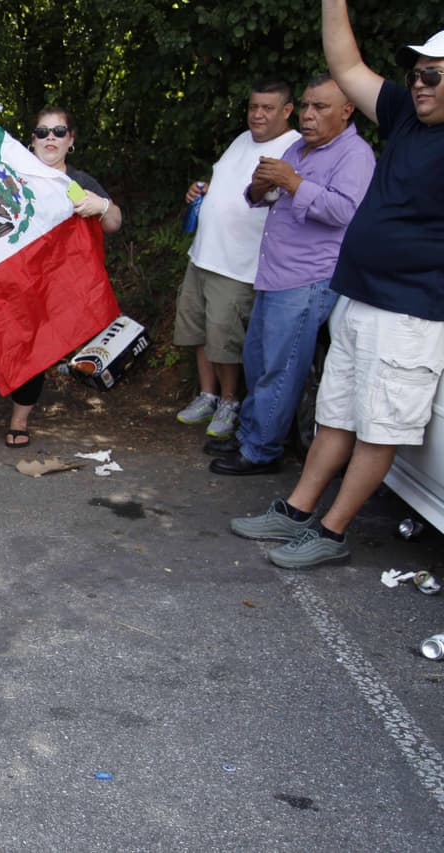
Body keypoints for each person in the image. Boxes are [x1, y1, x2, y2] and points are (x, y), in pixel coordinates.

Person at [230, 8, 444, 569]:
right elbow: (346, 63)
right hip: (357, 295)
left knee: (380, 425)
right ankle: (299, 510)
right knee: (338, 414)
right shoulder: (405, 118)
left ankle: (331, 529)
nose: (418, 84)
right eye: (416, 74)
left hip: (412, 311)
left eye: (433, 75)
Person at [208, 73, 374, 476]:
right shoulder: (300, 148)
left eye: (320, 107)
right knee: (259, 361)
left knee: (280, 370)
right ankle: (251, 435)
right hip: (274, 274)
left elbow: (346, 213)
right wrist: (259, 188)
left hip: (308, 279)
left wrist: (293, 182)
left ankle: (262, 450)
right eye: (305, 105)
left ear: (347, 110)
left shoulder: (355, 155)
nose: (309, 114)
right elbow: (268, 199)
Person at [0, 99, 122, 449]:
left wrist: (103, 206)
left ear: (71, 139)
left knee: (36, 348)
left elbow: (113, 223)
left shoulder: (76, 182)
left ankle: (19, 420)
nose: (51, 138)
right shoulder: (10, 169)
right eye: (42, 132)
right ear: (31, 139)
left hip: (43, 290)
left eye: (59, 132)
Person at [173, 80, 300, 440]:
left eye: (268, 108)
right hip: (203, 254)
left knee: (225, 339)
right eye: (253, 107)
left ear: (287, 110)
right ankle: (207, 395)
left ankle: (230, 402)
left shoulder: (292, 149)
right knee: (198, 330)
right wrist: (203, 191)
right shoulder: (241, 140)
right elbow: (230, 186)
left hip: (239, 262)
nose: (258, 114)